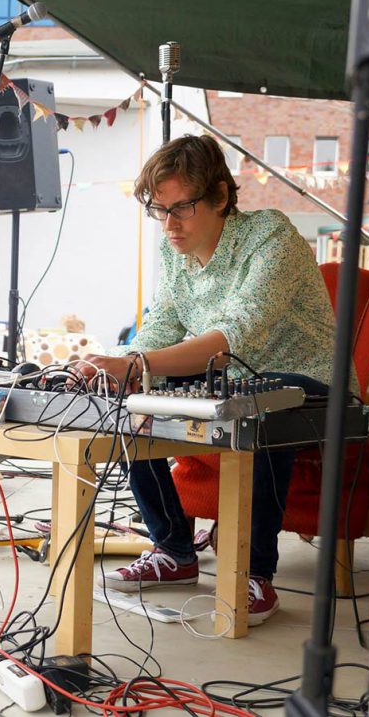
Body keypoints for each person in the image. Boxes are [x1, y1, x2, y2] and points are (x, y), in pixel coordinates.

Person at [76, 134, 343, 625]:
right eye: (160, 210)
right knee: (130, 399)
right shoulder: (174, 253)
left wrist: (140, 364)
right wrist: (115, 363)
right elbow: (160, 326)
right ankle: (174, 550)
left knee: (263, 401)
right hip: (231, 376)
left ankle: (256, 575)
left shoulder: (271, 236)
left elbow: (235, 335)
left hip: (309, 380)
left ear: (220, 197)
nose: (170, 224)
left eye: (182, 207)